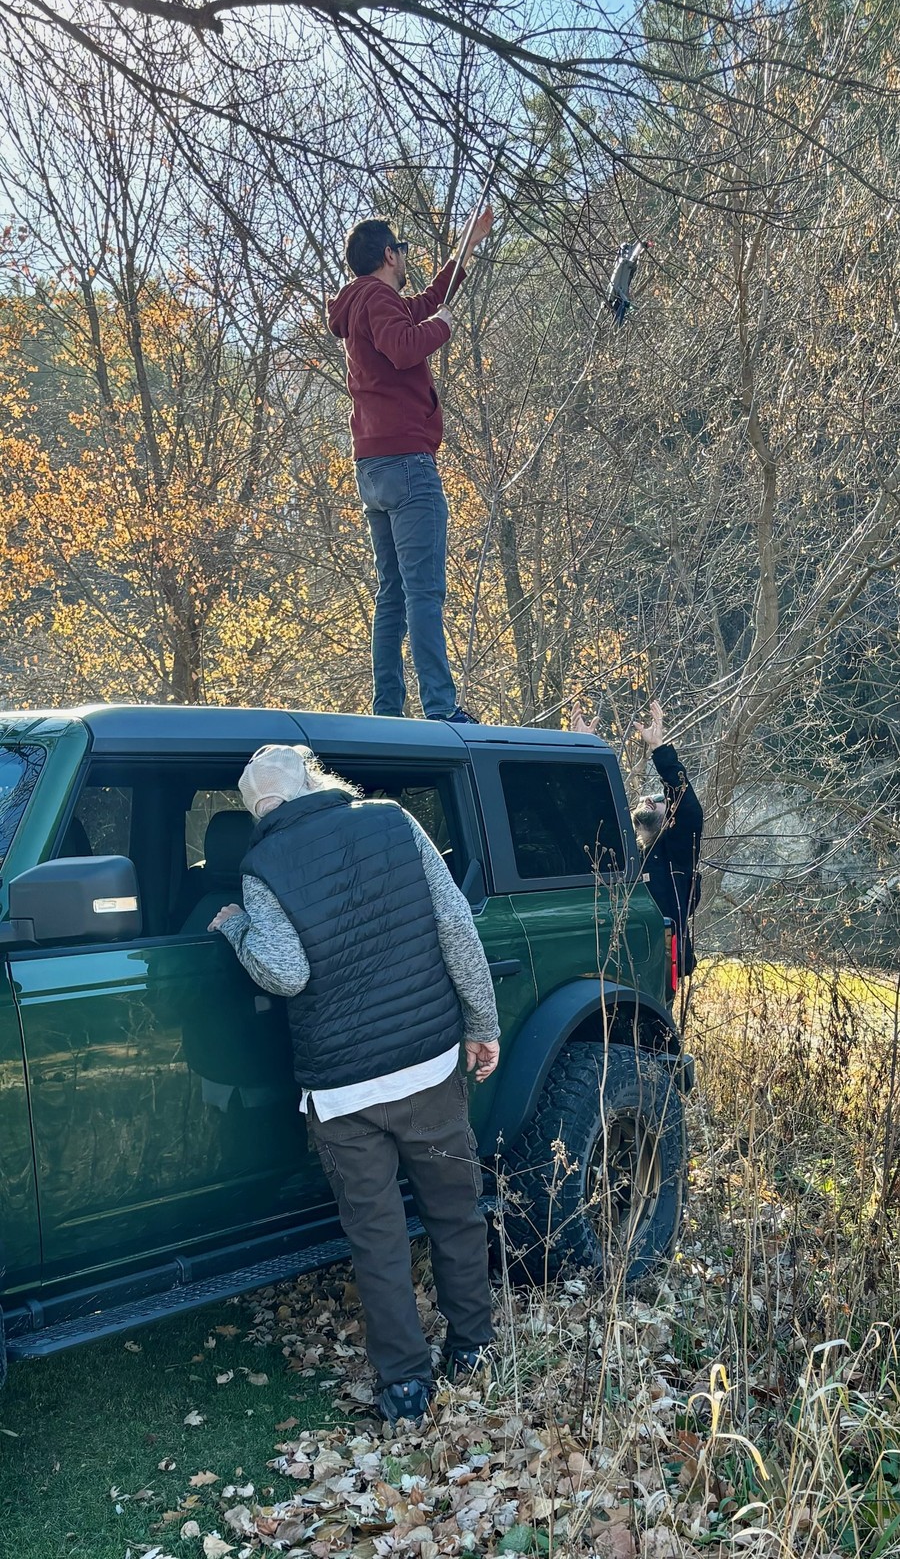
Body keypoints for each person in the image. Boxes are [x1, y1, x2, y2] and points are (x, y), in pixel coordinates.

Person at [208, 744, 500, 1425]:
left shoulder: (261, 866)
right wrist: (481, 1022)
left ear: (258, 810)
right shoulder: (394, 821)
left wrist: (235, 928)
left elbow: (286, 974)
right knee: (455, 1211)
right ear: (313, 778)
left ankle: (405, 1386)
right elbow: (455, 925)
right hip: (428, 1067)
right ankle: (473, 1347)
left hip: (344, 1094)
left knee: (377, 1236)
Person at [327, 210, 493, 724]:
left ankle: (387, 711)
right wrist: (442, 328)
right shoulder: (378, 299)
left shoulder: (363, 303)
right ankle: (441, 709)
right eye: (401, 250)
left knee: (392, 594)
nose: (404, 258)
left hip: (373, 468)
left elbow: (422, 304)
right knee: (424, 592)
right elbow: (405, 345)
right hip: (406, 464)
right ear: (388, 255)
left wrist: (464, 250)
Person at [572, 699, 703, 976]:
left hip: (654, 969)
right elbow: (586, 812)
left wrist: (660, 750)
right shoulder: (617, 850)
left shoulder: (676, 855)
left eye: (659, 799)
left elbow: (688, 808)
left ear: (671, 818)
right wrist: (582, 751)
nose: (648, 799)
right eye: (645, 798)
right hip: (603, 966)